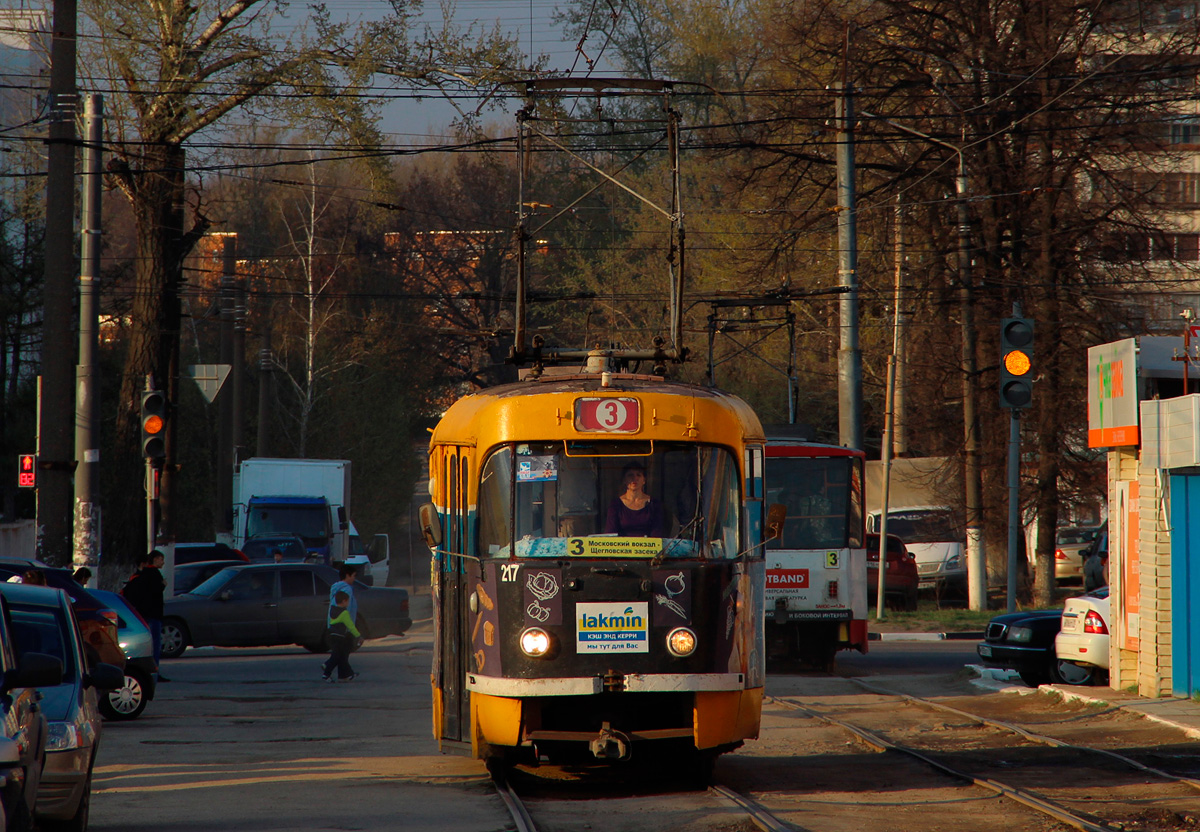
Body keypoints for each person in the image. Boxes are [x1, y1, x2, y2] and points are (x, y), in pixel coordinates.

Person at [123, 550, 169, 681]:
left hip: (143, 614)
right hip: (153, 614)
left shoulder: (140, 575)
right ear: (155, 559)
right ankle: (154, 672)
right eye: (161, 559)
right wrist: (162, 585)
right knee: (154, 645)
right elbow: (154, 592)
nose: (163, 562)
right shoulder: (154, 574)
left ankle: (149, 672)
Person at [605, 462, 664, 537]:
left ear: (644, 480)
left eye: (638, 475)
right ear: (624, 480)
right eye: (630, 475)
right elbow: (610, 534)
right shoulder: (615, 505)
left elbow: (657, 533)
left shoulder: (654, 504)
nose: (635, 478)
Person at [322, 590, 361, 682]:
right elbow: (350, 626)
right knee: (337, 657)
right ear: (344, 601)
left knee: (340, 655)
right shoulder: (344, 613)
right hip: (339, 637)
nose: (348, 603)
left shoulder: (332, 610)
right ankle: (326, 674)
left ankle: (347, 674)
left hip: (332, 635)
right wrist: (358, 635)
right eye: (348, 601)